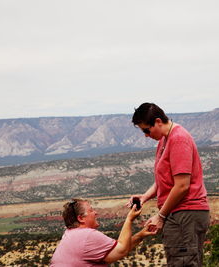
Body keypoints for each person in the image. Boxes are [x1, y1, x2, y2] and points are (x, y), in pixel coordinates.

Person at [129, 102, 210, 266]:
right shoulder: (164, 140)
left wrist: (161, 216)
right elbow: (164, 180)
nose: (146, 135)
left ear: (158, 121)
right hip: (179, 214)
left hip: (185, 213)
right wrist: (145, 197)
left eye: (147, 130)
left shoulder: (178, 139)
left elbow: (182, 185)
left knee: (183, 262)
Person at [50, 198, 155, 266]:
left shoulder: (70, 234)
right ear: (81, 218)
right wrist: (129, 219)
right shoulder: (87, 235)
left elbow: (113, 254)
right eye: (91, 210)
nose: (96, 213)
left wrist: (140, 235)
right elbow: (121, 250)